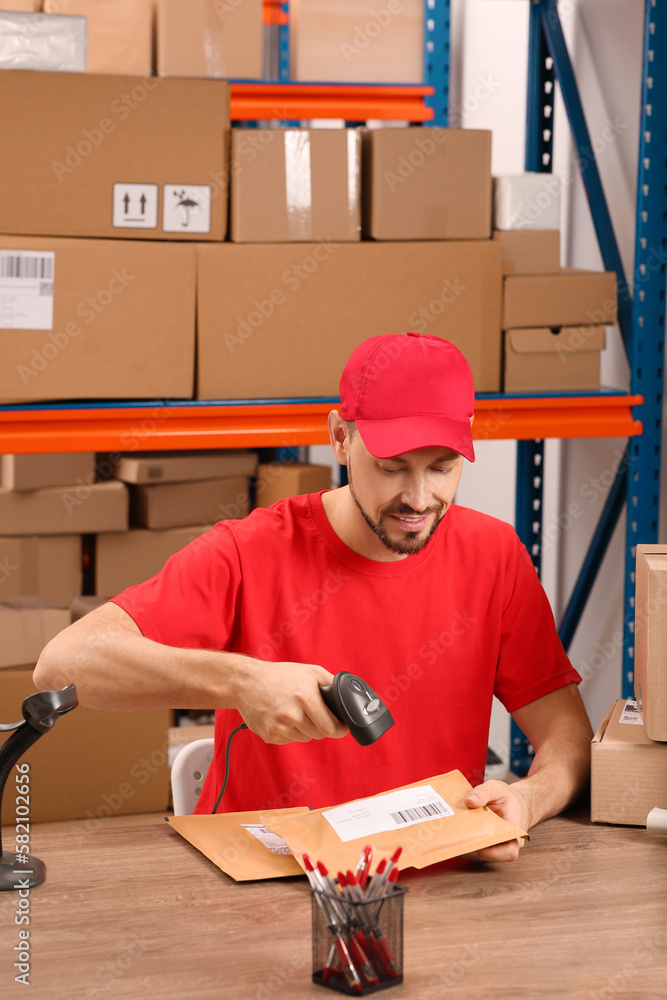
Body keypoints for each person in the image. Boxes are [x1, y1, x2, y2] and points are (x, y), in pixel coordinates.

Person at [34, 332, 593, 862]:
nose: (419, 498)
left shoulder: (494, 557)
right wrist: (240, 681)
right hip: (262, 888)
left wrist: (526, 801)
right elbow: (61, 666)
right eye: (392, 468)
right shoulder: (248, 551)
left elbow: (569, 739)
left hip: (432, 882)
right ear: (340, 437)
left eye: (442, 468)